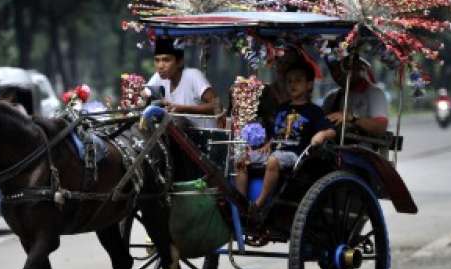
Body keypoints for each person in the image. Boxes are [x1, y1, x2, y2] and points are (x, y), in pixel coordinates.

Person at [235, 61, 336, 212]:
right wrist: (269, 142)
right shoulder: (282, 108)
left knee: (273, 160)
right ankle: (241, 204)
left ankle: (258, 204)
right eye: (289, 81)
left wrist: (322, 134)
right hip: (274, 151)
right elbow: (275, 133)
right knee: (241, 159)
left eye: (297, 80)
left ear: (309, 85)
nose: (292, 84)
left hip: (294, 154)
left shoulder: (314, 111)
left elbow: (331, 130)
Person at [146, 37, 220, 128]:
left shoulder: (193, 76)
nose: (160, 66)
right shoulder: (159, 76)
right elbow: (144, 95)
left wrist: (183, 109)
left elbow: (217, 106)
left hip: (202, 137)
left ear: (180, 62)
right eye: (157, 60)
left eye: (166, 60)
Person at [322, 56, 389, 137]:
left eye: (340, 69)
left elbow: (380, 128)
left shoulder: (375, 93)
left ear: (356, 68)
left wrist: (352, 118)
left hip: (362, 146)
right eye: (333, 70)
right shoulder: (332, 97)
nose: (336, 74)